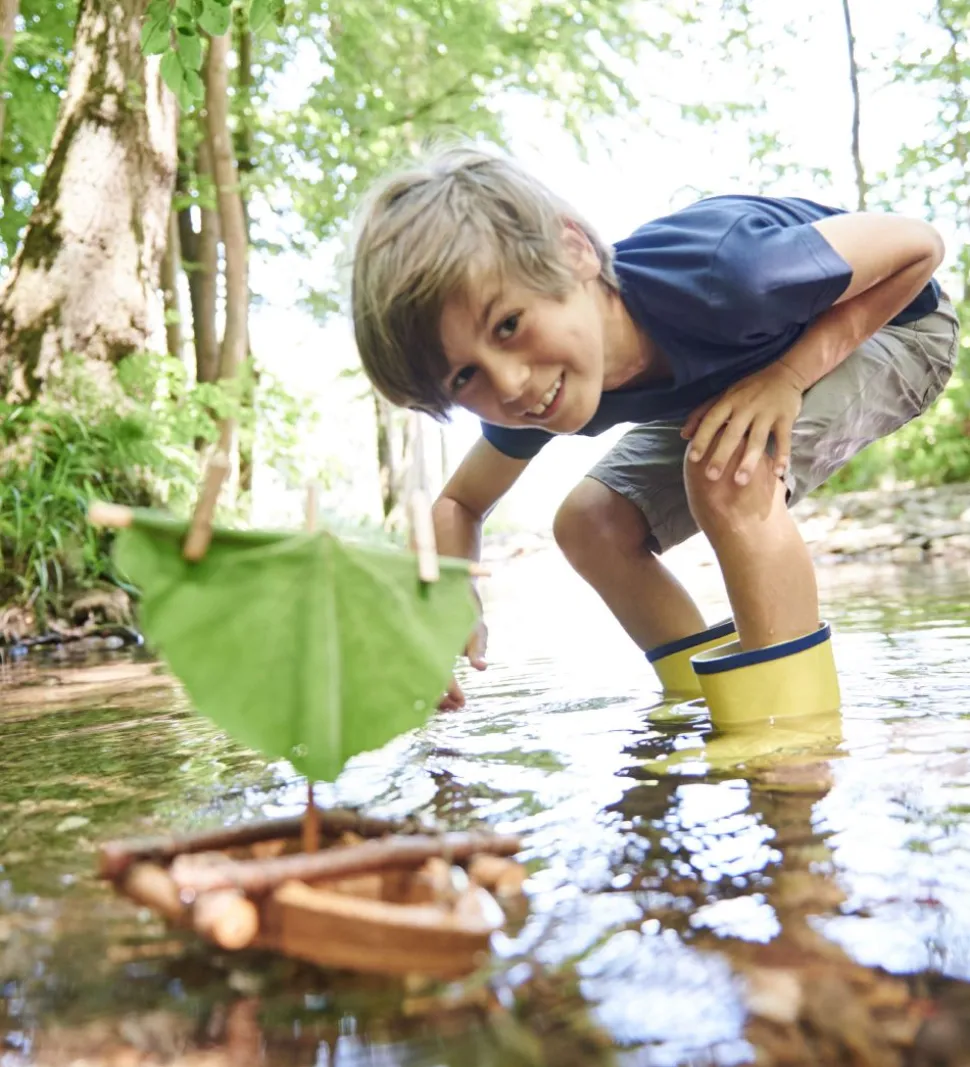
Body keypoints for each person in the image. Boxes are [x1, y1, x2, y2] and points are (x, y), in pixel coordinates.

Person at [350, 143, 958, 714]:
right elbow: (460, 501)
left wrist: (789, 375)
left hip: (897, 326)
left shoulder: (730, 276)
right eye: (463, 379)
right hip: (756, 367)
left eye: (508, 324)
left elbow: (917, 244)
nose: (508, 385)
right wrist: (444, 601)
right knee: (590, 523)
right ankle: (703, 702)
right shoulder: (545, 384)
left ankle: (790, 741)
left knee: (725, 472)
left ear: (574, 253)